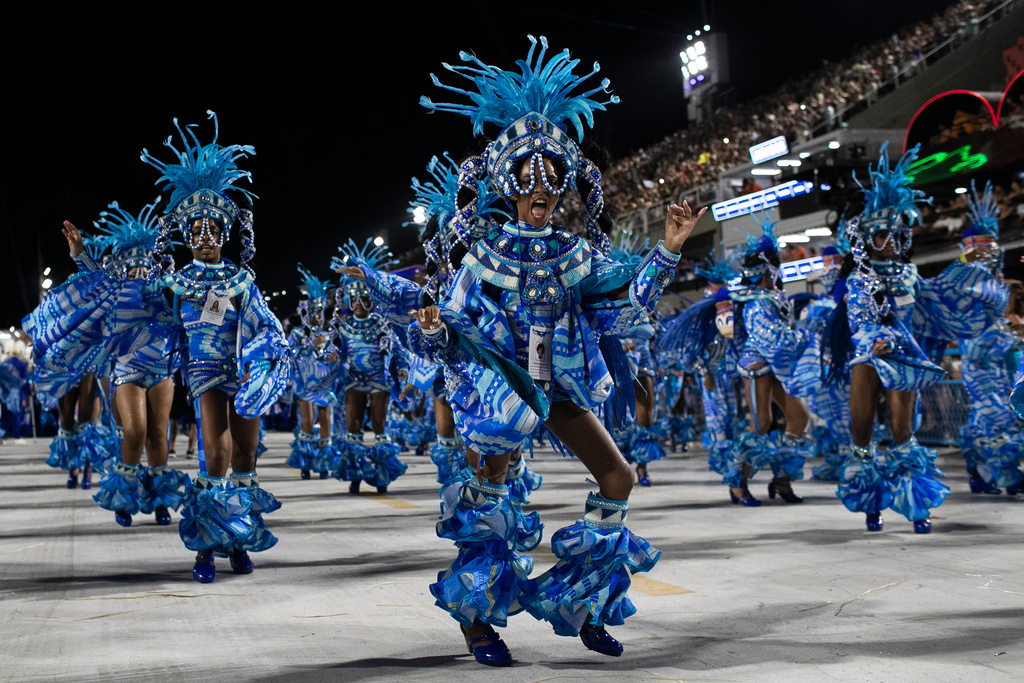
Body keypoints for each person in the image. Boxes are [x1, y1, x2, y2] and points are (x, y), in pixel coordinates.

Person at [412, 36, 702, 666]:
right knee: (491, 507)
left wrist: (672, 245)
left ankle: (586, 602)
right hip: (504, 392)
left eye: (551, 177)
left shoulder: (575, 253)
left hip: (562, 386)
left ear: (566, 187)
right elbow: (453, 330)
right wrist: (435, 328)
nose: (540, 186)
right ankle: (478, 622)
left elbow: (628, 303)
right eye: (527, 177)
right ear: (508, 187)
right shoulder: (483, 253)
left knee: (618, 477)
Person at [826, 144, 1006, 533]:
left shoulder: (909, 277)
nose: (886, 242)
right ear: (866, 241)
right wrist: (875, 340)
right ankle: (871, 503)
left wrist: (964, 265)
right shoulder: (856, 279)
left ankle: (915, 506)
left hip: (903, 359)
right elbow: (859, 319)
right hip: (867, 356)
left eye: (892, 235)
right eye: (878, 237)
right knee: (861, 432)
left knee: (902, 430)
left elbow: (941, 294)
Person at [142, 112, 290, 582]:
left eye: (213, 231)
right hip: (205, 369)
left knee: (246, 455)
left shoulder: (243, 278)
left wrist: (266, 359)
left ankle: (237, 537)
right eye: (197, 232)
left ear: (226, 235)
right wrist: (85, 259)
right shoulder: (178, 280)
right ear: (186, 238)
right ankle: (206, 545)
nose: (205, 240)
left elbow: (265, 323)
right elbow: (135, 304)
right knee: (216, 452)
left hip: (242, 372)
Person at [74, 199, 188, 528]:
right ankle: (124, 496)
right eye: (133, 267)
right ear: (125, 269)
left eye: (144, 266)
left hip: (162, 371)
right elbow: (93, 279)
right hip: (128, 372)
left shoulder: (163, 290)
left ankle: (160, 499)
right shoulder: (118, 292)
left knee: (157, 434)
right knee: (135, 432)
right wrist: (80, 253)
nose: (139, 271)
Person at [287, 265, 341, 480]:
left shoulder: (330, 333)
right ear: (304, 313)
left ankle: (324, 463)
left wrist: (333, 356)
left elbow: (335, 356)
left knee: (326, 419)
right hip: (303, 382)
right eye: (311, 313)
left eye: (318, 313)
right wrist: (309, 345)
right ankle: (306, 462)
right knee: (307, 421)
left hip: (324, 383)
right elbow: (289, 354)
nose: (315, 317)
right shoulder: (298, 332)